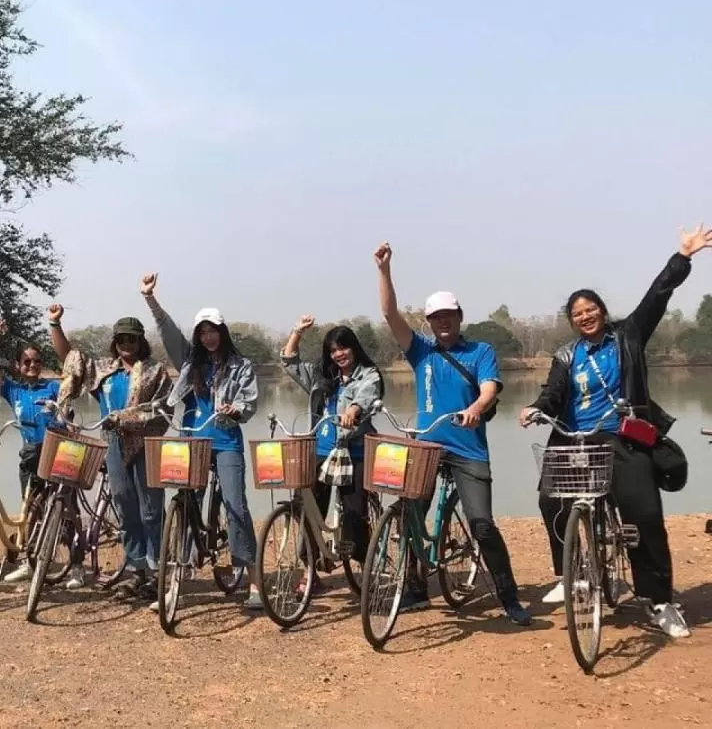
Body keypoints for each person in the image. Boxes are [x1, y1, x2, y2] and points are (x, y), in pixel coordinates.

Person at [519, 224, 712, 639]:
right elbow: (553, 393)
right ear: (571, 322)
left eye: (591, 310)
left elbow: (656, 297)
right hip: (576, 440)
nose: (585, 317)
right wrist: (537, 407)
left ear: (603, 312)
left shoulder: (628, 336)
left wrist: (683, 257)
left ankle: (659, 600)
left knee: (643, 512)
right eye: (577, 314)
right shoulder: (566, 355)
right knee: (550, 498)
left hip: (622, 437)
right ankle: (569, 573)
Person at [374, 243, 532, 626]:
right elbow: (389, 314)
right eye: (435, 317)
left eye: (449, 315)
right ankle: (414, 587)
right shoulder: (420, 352)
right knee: (409, 511)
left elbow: (490, 387)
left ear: (460, 317)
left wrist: (476, 409)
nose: (442, 321)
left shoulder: (480, 351)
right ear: (428, 321)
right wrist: (384, 271)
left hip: (468, 448)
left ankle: (509, 595)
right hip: (427, 445)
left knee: (481, 522)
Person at [141, 273, 264, 610]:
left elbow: (249, 402)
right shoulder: (189, 362)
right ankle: (176, 586)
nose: (208, 337)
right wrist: (150, 299)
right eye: (202, 332)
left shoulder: (241, 365)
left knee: (236, 506)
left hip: (225, 441)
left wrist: (235, 408)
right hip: (192, 441)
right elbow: (168, 331)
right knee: (181, 506)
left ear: (222, 333)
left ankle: (254, 582)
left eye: (213, 331)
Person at [49, 304, 174, 603]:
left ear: (141, 341)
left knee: (151, 509)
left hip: (147, 443)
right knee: (124, 505)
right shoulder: (104, 371)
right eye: (121, 340)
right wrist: (55, 325)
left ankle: (159, 572)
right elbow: (71, 360)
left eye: (132, 339)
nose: (126, 345)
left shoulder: (156, 373)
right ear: (114, 342)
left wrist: (130, 418)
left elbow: (164, 410)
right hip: (114, 442)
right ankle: (136, 570)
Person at [281, 315, 384, 589]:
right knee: (307, 507)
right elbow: (290, 363)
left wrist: (353, 411)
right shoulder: (323, 376)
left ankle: (364, 563)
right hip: (322, 448)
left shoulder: (368, 374)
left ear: (354, 348)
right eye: (333, 350)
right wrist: (297, 332)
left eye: (343, 348)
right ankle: (311, 569)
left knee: (354, 512)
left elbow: (366, 396)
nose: (339, 354)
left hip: (355, 450)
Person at [0, 318, 85, 590]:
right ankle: (29, 563)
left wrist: (56, 325)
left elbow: (73, 371)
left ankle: (76, 566)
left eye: (37, 361)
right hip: (30, 454)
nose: (32, 366)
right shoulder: (12, 390)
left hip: (59, 451)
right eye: (26, 362)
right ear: (18, 366)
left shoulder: (52, 387)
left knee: (67, 510)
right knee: (30, 510)